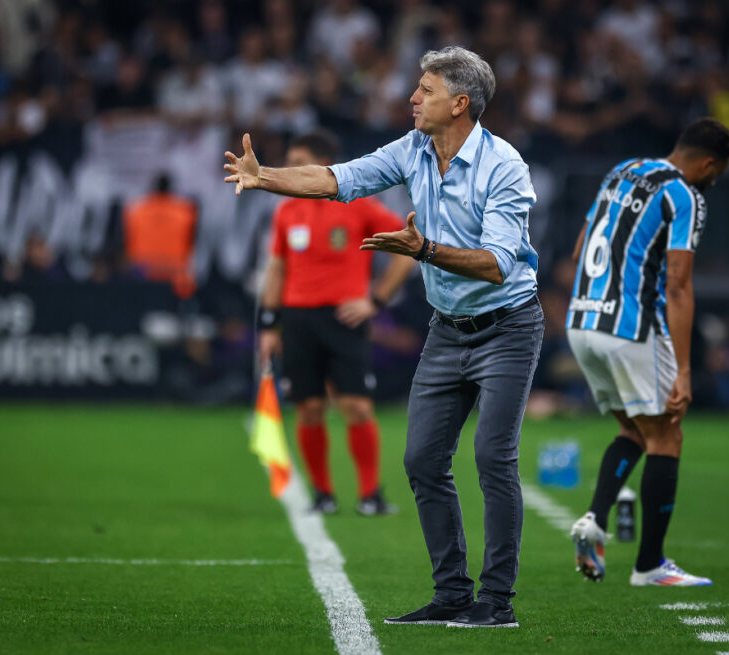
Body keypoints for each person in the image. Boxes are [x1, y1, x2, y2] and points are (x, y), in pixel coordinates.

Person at [225, 46, 543, 628]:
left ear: (459, 103)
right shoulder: (414, 148)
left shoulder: (506, 167)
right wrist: (263, 175)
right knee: (422, 460)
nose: (412, 98)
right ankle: (451, 594)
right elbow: (336, 178)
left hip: (506, 327)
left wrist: (421, 250)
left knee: (493, 458)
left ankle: (496, 602)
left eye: (425, 89)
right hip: (448, 330)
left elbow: (499, 263)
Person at [565, 118, 729, 586]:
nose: (712, 182)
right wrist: (683, 369)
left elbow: (581, 247)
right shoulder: (686, 196)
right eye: (715, 173)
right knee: (668, 433)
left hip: (582, 320)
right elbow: (678, 286)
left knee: (634, 428)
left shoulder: (622, 170)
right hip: (630, 326)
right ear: (706, 163)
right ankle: (650, 565)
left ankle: (594, 520)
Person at [259, 130, 415, 516]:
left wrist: (375, 301)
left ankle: (370, 494)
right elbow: (277, 269)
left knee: (356, 406)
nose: (291, 172)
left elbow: (407, 250)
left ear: (322, 165)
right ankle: (323, 494)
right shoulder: (287, 210)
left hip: (344, 319)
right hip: (297, 320)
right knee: (309, 408)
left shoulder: (358, 204)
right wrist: (268, 324)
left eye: (299, 163)